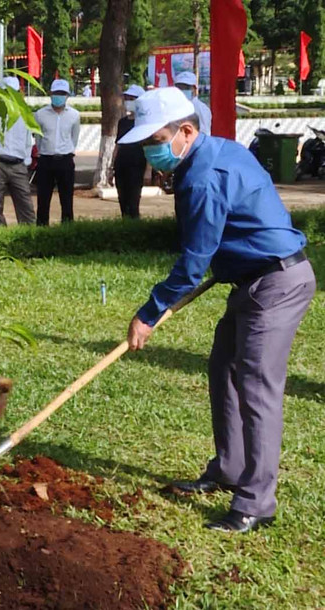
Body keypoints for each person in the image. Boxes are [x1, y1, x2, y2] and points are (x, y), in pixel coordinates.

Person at [119, 88, 315, 533]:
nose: (152, 151)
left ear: (186, 132)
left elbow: (192, 264)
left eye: (156, 140)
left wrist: (148, 314)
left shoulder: (204, 176)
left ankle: (255, 503)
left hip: (276, 284)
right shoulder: (213, 153)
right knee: (222, 369)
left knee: (256, 388)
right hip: (250, 280)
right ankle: (229, 468)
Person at [0, 75, 35, 226]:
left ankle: (28, 236)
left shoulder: (24, 112)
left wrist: (26, 161)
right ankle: (0, 236)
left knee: (25, 205)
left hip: (18, 165)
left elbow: (28, 139)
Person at [33, 79, 81, 225]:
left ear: (67, 96)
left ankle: (67, 228)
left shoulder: (74, 115)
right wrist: (43, 152)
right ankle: (42, 228)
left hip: (65, 160)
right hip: (45, 160)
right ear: (50, 94)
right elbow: (38, 138)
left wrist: (68, 151)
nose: (59, 96)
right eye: (56, 93)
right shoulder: (40, 114)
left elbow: (74, 137)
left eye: (62, 93)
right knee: (43, 199)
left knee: (67, 199)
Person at [113, 84, 148, 219]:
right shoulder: (122, 122)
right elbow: (118, 145)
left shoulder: (144, 123)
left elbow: (148, 146)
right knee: (122, 199)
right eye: (127, 98)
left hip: (137, 165)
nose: (129, 101)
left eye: (132, 98)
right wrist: (112, 165)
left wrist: (148, 170)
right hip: (121, 164)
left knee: (133, 202)